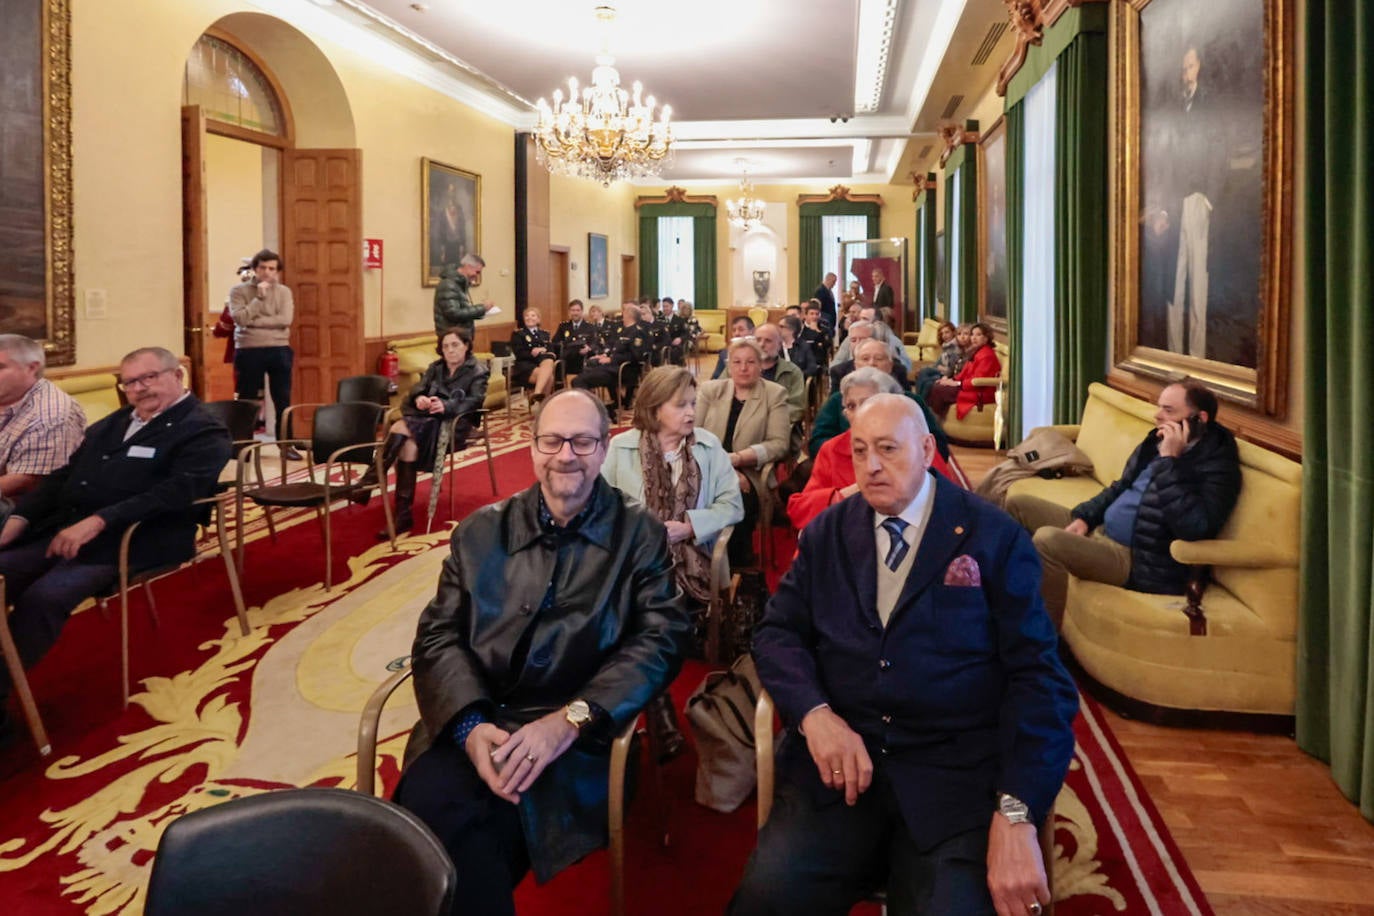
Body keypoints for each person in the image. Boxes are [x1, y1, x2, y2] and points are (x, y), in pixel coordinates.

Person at [730, 394, 1078, 916]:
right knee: (765, 901)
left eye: (888, 450)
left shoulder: (994, 538)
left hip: (953, 783)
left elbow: (1040, 682)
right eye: (860, 451)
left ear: (927, 449)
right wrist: (814, 715)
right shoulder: (828, 533)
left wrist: (1016, 810)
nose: (871, 467)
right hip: (840, 777)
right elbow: (777, 632)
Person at [394, 388, 690, 916]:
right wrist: (468, 726)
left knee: (468, 845)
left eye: (581, 441)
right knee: (425, 831)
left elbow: (662, 640)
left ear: (603, 449)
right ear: (532, 448)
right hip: (475, 722)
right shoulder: (481, 531)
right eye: (551, 441)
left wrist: (569, 721)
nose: (565, 456)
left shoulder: (638, 535)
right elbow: (438, 635)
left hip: (575, 738)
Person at [0, 348, 230, 733]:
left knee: (45, 597)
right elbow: (62, 477)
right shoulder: (115, 422)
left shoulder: (203, 428)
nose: (139, 389)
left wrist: (100, 520)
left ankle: (2, 690)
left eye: (149, 378)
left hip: (135, 537)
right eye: (130, 382)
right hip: (65, 529)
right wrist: (21, 517)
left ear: (177, 375)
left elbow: (174, 494)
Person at [1007, 381, 1242, 628]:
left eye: (1169, 411)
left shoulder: (1218, 465)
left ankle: (1041, 639)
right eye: (1159, 408)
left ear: (1199, 418)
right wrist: (1085, 518)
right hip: (1102, 531)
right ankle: (1006, 599)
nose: (1157, 416)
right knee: (1018, 504)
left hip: (1138, 560)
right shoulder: (1155, 442)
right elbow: (1121, 487)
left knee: (1048, 540)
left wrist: (1169, 462)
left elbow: (1196, 527)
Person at [601, 366, 744, 755]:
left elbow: (733, 505)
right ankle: (658, 699)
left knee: (644, 612)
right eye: (680, 404)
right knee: (635, 602)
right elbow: (603, 507)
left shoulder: (709, 447)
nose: (691, 412)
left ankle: (650, 702)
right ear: (653, 407)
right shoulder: (621, 447)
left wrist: (688, 527)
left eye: (693, 403)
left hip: (692, 557)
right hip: (635, 558)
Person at [789, 368, 962, 532]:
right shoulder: (833, 449)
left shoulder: (913, 443)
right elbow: (801, 511)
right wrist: (846, 495)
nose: (858, 413)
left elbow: (950, 504)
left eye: (867, 403)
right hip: (846, 537)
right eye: (850, 406)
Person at [352, 328, 488, 534]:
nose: (450, 350)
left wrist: (446, 406)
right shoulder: (435, 367)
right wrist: (420, 399)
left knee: (400, 427)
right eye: (445, 346)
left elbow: (475, 401)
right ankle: (402, 515)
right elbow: (416, 391)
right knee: (408, 444)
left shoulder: (477, 371)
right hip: (424, 421)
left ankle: (369, 483)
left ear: (466, 346)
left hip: (454, 424)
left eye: (455, 345)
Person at [696, 339, 791, 567]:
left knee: (736, 498)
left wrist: (737, 459)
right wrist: (725, 469)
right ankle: (696, 561)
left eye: (750, 362)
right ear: (729, 366)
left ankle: (735, 564)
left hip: (750, 471)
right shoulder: (711, 390)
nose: (743, 368)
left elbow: (779, 444)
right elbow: (692, 435)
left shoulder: (774, 394)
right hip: (705, 466)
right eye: (737, 362)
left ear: (761, 366)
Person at [810, 338, 953, 468]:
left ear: (890, 366)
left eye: (879, 358)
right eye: (865, 359)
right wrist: (854, 451)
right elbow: (817, 442)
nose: (872, 363)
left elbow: (938, 446)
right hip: (845, 467)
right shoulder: (838, 400)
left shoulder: (910, 401)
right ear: (855, 365)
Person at [228, 248, 299, 460]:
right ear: (254, 269)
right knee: (248, 399)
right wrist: (259, 298)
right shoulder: (238, 291)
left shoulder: (284, 292)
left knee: (283, 398)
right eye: (263, 268)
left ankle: (286, 445)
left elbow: (285, 320)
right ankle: (243, 446)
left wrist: (254, 323)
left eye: (272, 269)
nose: (267, 273)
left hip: (279, 348)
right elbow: (240, 319)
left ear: (277, 271)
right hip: (249, 349)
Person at [0, 335, 86, 501]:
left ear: (31, 368)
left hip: (19, 511)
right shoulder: (8, 394)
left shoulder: (52, 416)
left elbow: (26, 482)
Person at [571, 303, 651, 410]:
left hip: (623, 370)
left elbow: (636, 356)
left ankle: (591, 409)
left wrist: (611, 359)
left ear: (629, 315)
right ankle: (607, 406)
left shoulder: (637, 332)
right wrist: (603, 355)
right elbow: (615, 348)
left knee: (578, 381)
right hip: (611, 368)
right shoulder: (622, 330)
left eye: (624, 312)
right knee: (583, 374)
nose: (622, 314)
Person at [926, 321, 1001, 421]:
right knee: (938, 385)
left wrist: (957, 383)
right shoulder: (976, 351)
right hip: (967, 386)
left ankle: (934, 420)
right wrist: (951, 380)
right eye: (972, 334)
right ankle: (936, 419)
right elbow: (964, 372)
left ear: (986, 338)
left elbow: (977, 380)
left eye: (978, 335)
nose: (973, 338)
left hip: (979, 391)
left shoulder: (987, 355)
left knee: (939, 390)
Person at [828, 322, 911, 395]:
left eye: (863, 339)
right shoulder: (839, 372)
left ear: (875, 339)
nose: (858, 343)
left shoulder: (897, 369)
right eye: (853, 340)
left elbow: (907, 399)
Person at [433, 253, 500, 338]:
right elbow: (454, 314)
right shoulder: (448, 285)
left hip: (460, 336)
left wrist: (483, 311)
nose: (477, 276)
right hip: (451, 339)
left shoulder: (459, 284)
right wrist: (482, 308)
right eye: (477, 272)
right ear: (468, 266)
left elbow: (463, 311)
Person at [752, 323, 806, 425]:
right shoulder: (739, 368)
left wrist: (764, 418)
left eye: (768, 341)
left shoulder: (792, 372)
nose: (761, 345)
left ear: (779, 344)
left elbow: (797, 408)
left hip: (776, 427)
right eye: (758, 340)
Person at [509, 308, 558, 406]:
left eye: (533, 315)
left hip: (543, 366)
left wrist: (543, 351)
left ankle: (537, 394)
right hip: (526, 367)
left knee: (548, 363)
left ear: (538, 319)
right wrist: (533, 353)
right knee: (549, 376)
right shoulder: (518, 334)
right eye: (527, 316)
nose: (529, 318)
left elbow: (552, 351)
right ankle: (543, 405)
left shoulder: (545, 334)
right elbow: (519, 353)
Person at [914, 321, 965, 402]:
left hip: (948, 375)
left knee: (927, 381)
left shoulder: (955, 348)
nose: (944, 335)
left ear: (953, 332)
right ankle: (919, 402)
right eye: (942, 333)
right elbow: (938, 363)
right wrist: (933, 367)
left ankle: (920, 403)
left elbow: (950, 370)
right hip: (941, 372)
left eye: (947, 332)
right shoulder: (946, 346)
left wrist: (938, 368)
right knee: (923, 373)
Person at [552, 299, 597, 375]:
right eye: (573, 310)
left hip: (584, 358)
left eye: (577, 310)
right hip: (567, 359)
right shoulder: (563, 326)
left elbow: (594, 343)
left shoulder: (590, 327)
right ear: (569, 312)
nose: (575, 313)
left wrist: (588, 349)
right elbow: (555, 342)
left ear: (582, 311)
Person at [710, 315, 756, 380]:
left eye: (741, 329)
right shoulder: (725, 353)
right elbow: (715, 379)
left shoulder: (759, 352)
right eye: (734, 330)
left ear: (752, 331)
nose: (736, 333)